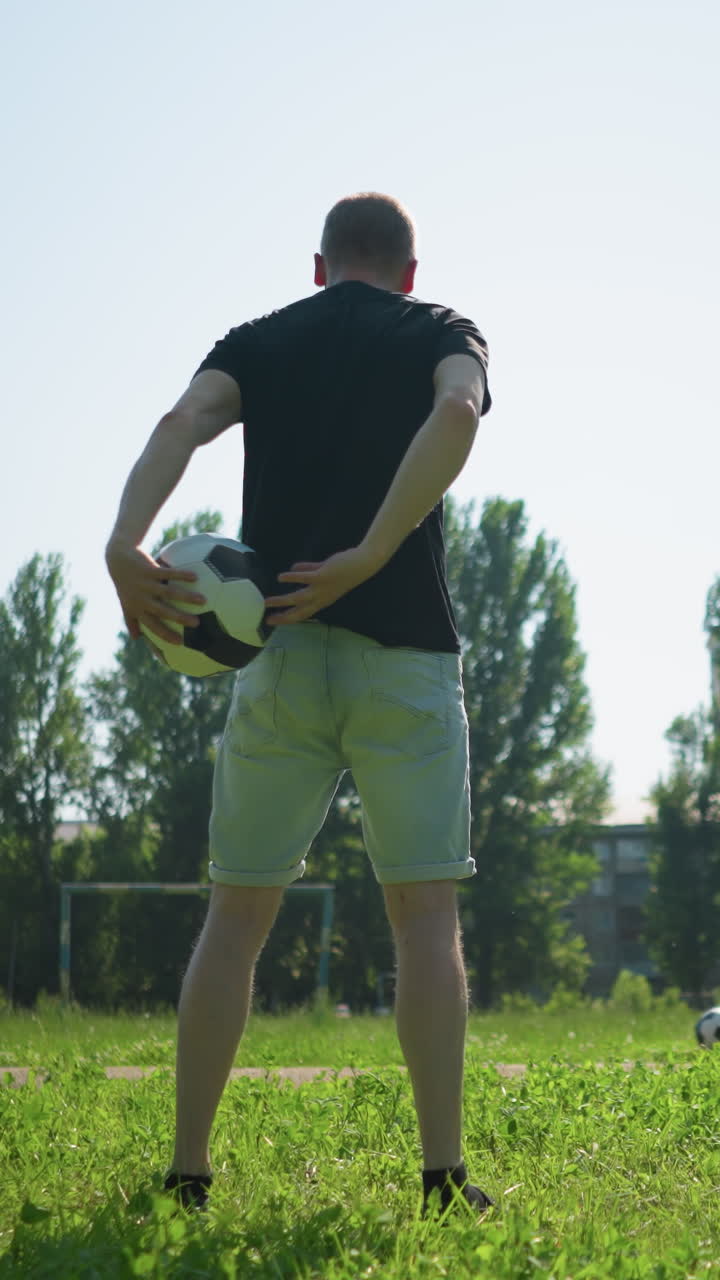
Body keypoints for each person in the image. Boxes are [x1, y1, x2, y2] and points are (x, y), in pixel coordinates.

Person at [105, 192, 494, 1217]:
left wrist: (124, 541)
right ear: (410, 272)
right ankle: (442, 1177)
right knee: (424, 915)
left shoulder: (261, 339)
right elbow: (458, 412)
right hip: (405, 661)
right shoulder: (442, 331)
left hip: (274, 654)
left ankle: (188, 1173)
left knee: (236, 914)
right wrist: (371, 552)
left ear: (318, 267)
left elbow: (181, 421)